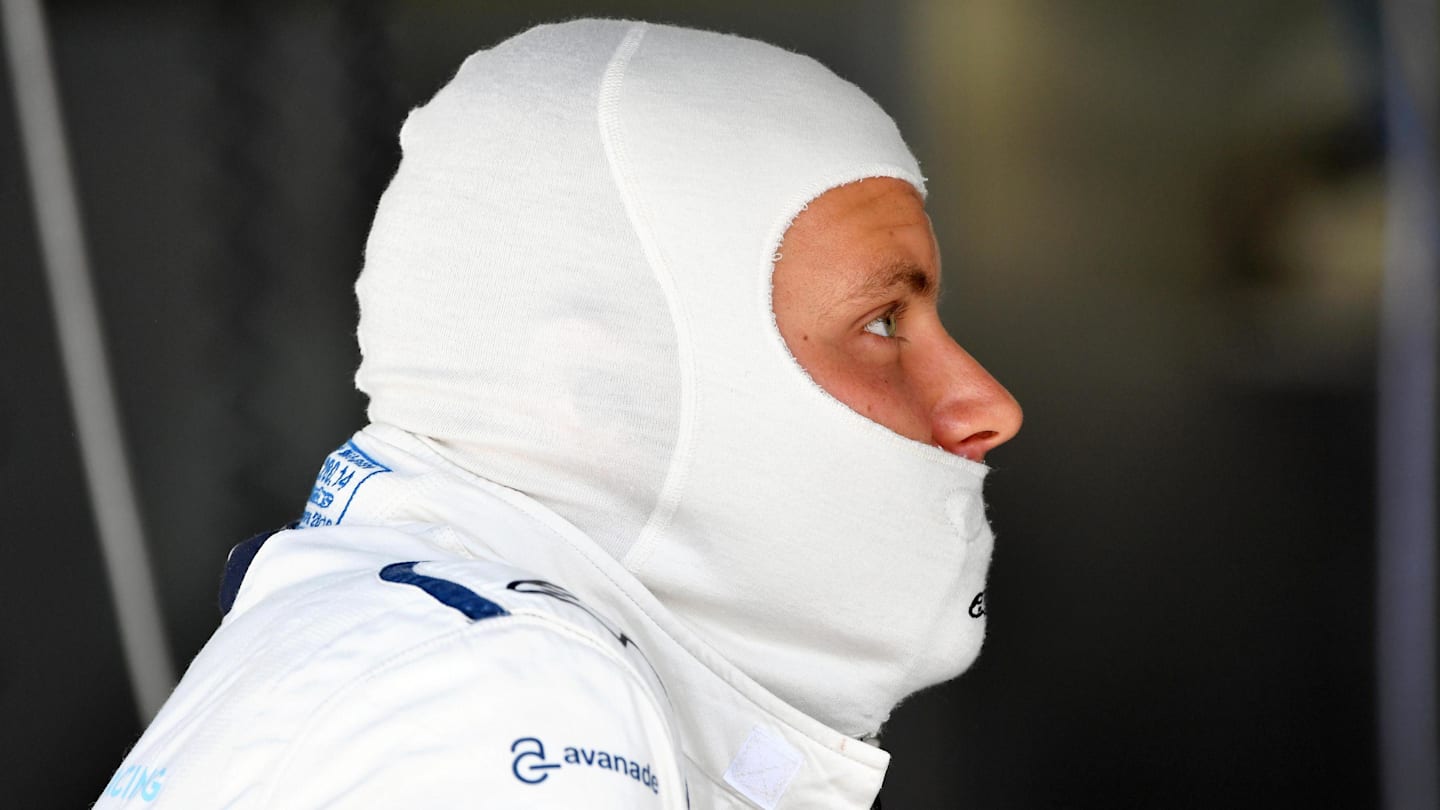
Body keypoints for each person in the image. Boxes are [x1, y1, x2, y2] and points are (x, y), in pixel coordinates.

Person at [95, 18, 1021, 810]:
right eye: (883, 321)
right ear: (601, 392)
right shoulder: (508, 699)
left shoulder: (432, 651)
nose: (989, 404)